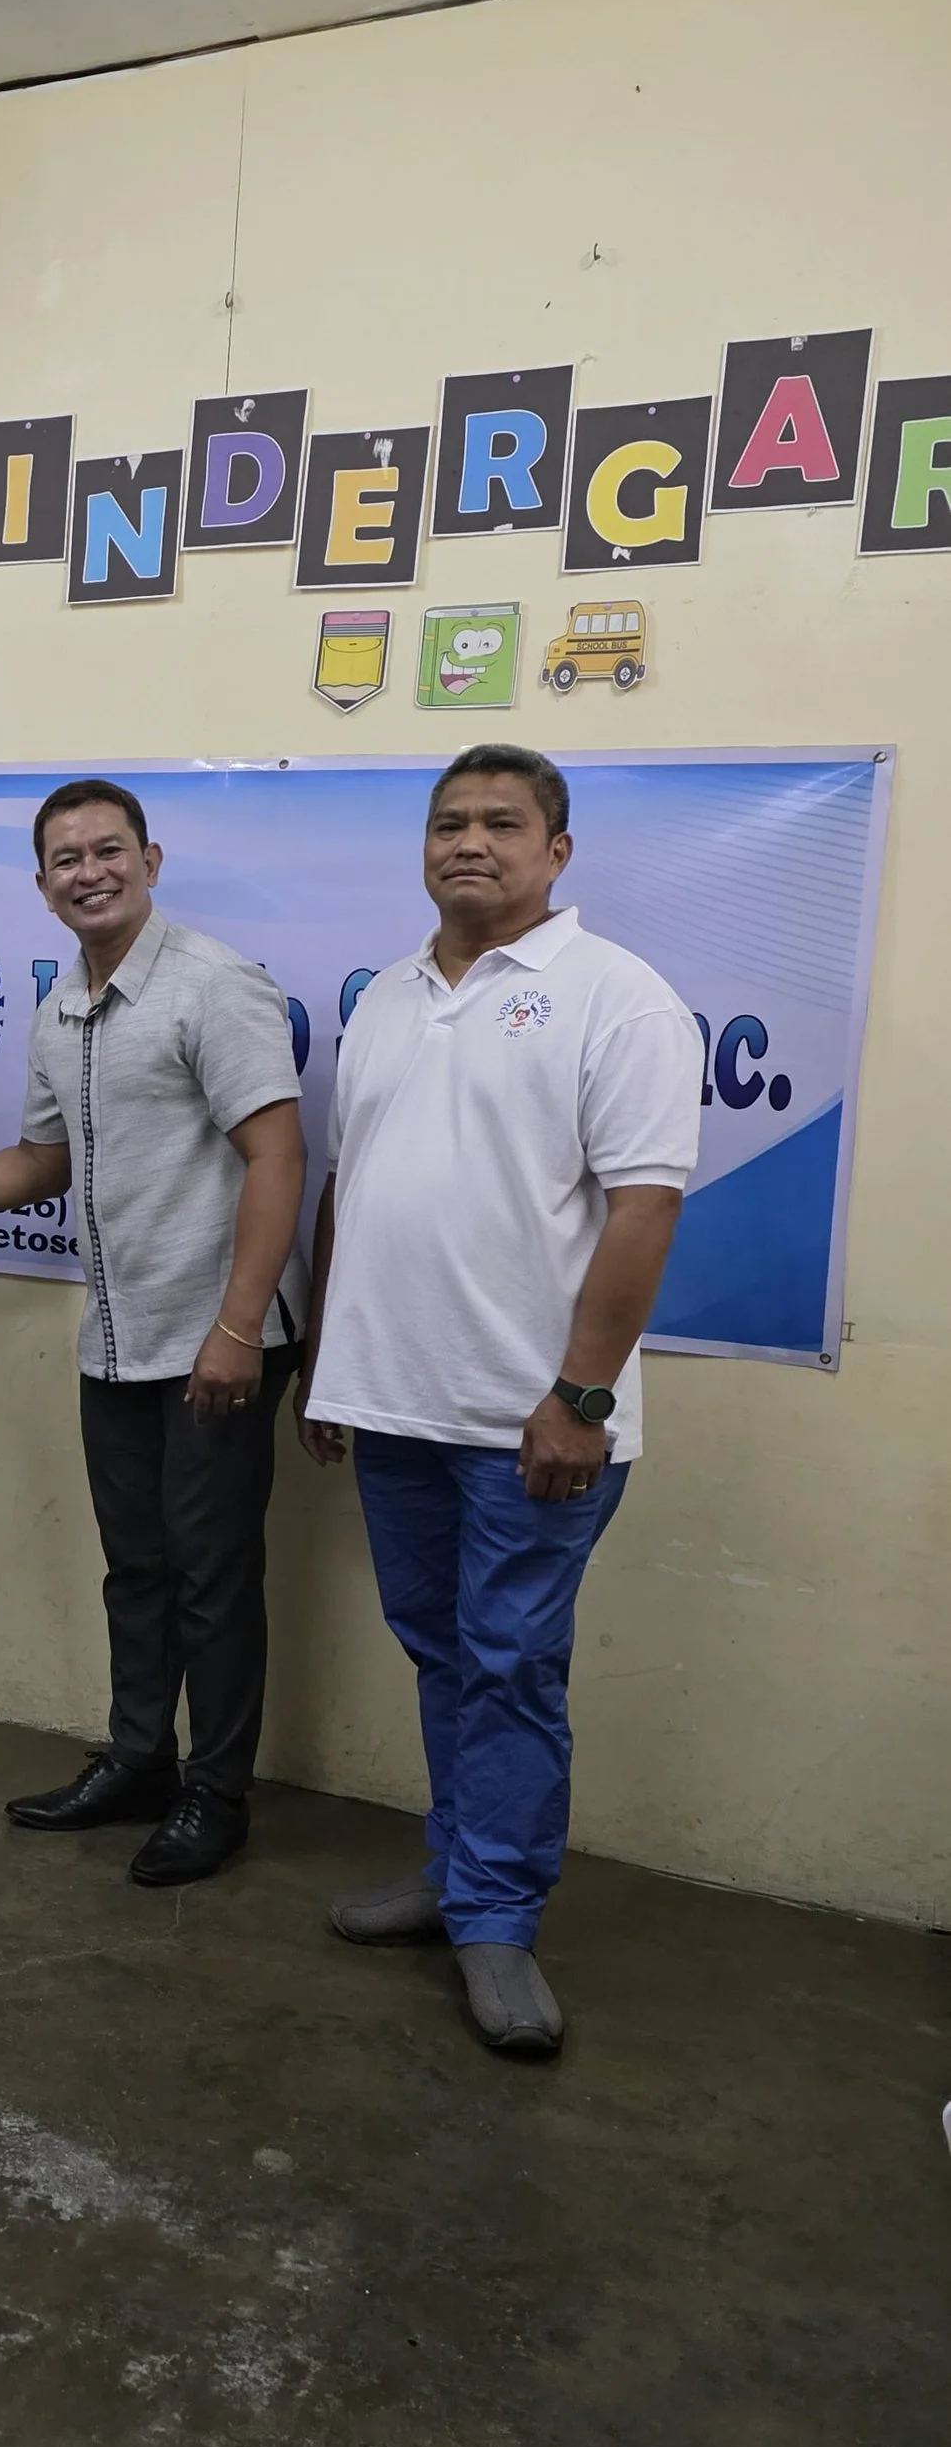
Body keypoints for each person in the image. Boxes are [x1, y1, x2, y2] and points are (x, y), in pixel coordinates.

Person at [298, 744, 698, 2058]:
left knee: (512, 1663)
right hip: (396, 1403)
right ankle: (461, 1868)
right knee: (446, 1653)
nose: (471, 841)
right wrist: (328, 1367)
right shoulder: (391, 999)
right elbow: (354, 1192)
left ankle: (500, 1921)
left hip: (536, 1424)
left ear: (556, 851)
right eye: (449, 821)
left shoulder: (616, 997)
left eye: (502, 823)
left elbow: (643, 1212)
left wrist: (581, 1396)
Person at [0, 780, 306, 1887]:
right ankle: (140, 1761)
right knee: (138, 1570)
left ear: (149, 861)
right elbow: (41, 1162)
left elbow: (279, 1157)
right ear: (41, 884)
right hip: (118, 1337)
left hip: (215, 1337)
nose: (87, 872)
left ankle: (217, 1792)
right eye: (65, 858)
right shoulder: (63, 1003)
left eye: (107, 850)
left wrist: (240, 1328)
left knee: (212, 1575)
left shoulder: (215, 986)